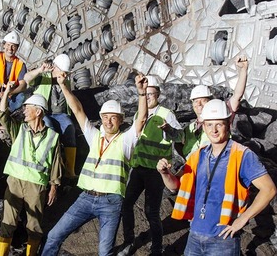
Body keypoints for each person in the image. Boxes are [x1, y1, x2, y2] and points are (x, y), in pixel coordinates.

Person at [42, 74, 149, 256]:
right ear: (101, 117)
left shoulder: (126, 141)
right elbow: (77, 110)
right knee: (53, 235)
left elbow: (141, 120)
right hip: (85, 198)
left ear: (121, 120)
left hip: (111, 202)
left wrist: (141, 94)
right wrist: (63, 85)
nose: (108, 121)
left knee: (104, 252)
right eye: (105, 117)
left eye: (113, 118)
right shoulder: (94, 137)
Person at [156, 99, 276, 255]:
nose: (214, 130)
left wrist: (242, 219)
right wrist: (165, 173)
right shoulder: (198, 155)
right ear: (204, 126)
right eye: (209, 124)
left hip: (223, 240)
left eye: (219, 124)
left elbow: (269, 189)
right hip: (194, 235)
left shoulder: (242, 155)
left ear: (228, 124)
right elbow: (175, 186)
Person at [0, 81, 62, 256]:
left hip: (36, 185)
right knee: (8, 223)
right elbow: (3, 115)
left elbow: (55, 162)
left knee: (34, 226)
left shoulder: (53, 137)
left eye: (27, 108)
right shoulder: (19, 129)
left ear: (38, 111)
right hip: (15, 182)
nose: (24, 111)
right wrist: (8, 91)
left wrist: (54, 186)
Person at [118, 75, 182, 256]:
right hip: (138, 168)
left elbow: (180, 138)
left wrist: (169, 129)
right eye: (145, 94)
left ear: (158, 94)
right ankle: (129, 242)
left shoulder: (167, 114)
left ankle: (156, 248)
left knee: (151, 211)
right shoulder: (139, 113)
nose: (148, 97)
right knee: (126, 205)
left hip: (156, 171)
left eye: (151, 94)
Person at [176, 56, 249, 159]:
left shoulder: (220, 114)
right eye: (196, 101)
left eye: (203, 101)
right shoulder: (190, 128)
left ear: (210, 102)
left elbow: (237, 96)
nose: (199, 104)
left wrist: (243, 70)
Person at [24, 53, 77, 177]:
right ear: (55, 68)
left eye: (66, 73)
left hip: (60, 114)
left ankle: (70, 170)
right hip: (44, 113)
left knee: (69, 128)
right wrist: (40, 70)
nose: (65, 75)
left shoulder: (65, 82)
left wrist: (63, 84)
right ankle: (49, 168)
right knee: (49, 130)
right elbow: (27, 78)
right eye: (63, 71)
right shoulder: (43, 77)